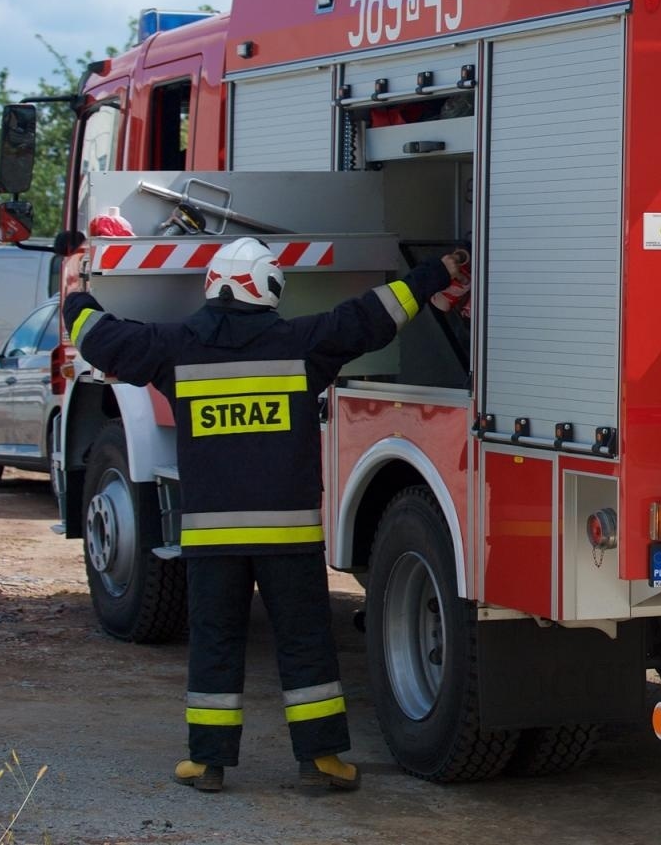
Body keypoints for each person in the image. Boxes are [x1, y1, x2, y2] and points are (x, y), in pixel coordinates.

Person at [63, 237, 465, 793]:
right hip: (287, 537)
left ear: (213, 286)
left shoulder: (173, 348)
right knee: (305, 642)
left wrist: (76, 295)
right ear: (270, 289)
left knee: (215, 642)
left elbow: (102, 339)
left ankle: (208, 762)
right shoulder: (304, 344)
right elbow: (373, 316)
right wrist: (435, 273)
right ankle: (321, 760)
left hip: (212, 539)